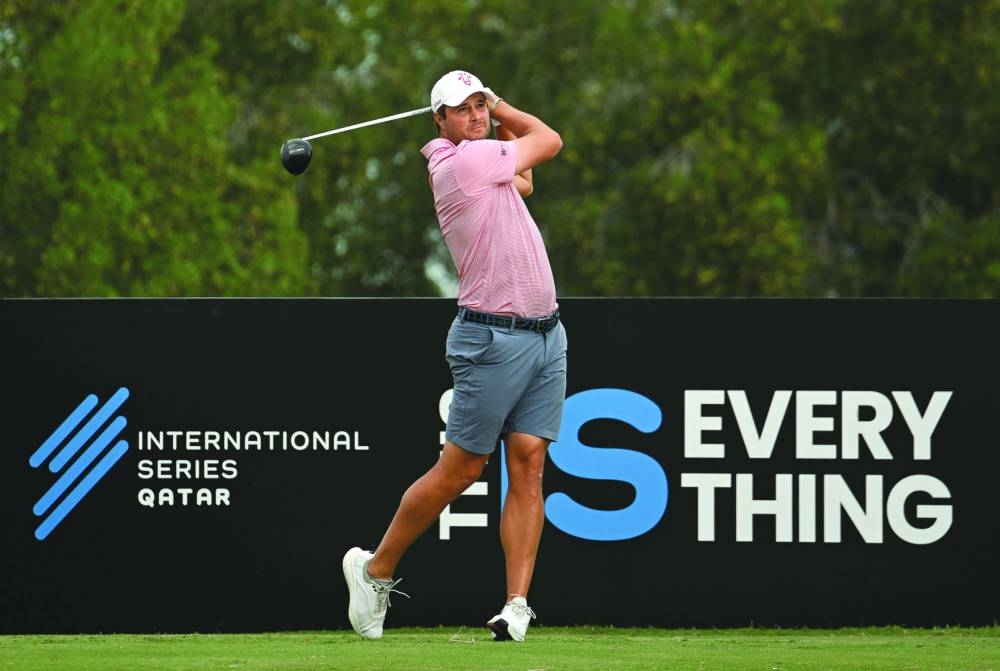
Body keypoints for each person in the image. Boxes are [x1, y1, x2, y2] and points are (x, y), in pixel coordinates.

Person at [342, 70, 567, 643]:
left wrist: (495, 116)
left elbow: (526, 180)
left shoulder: (485, 161)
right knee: (462, 470)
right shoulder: (463, 163)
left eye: (478, 106)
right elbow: (548, 141)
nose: (475, 115)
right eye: (462, 108)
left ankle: (516, 605)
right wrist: (503, 103)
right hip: (492, 338)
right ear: (438, 120)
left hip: (546, 334)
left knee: (529, 464)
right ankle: (374, 570)